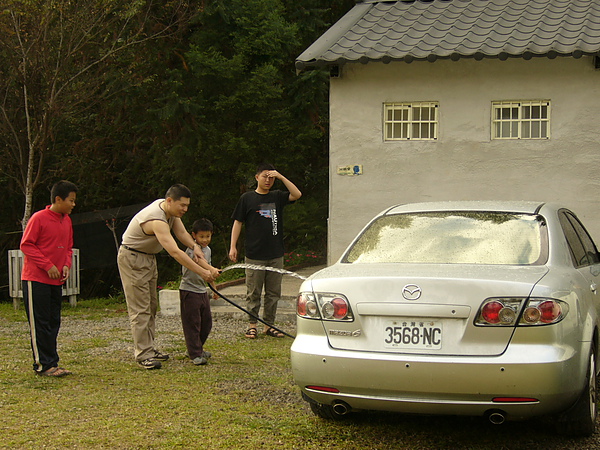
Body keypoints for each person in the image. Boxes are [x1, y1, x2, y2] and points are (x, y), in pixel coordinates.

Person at [118, 184, 220, 370]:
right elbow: (174, 252)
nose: (185, 209)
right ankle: (143, 354)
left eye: (187, 205)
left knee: (150, 305)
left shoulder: (170, 213)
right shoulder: (157, 219)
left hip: (148, 258)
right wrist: (202, 272)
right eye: (182, 205)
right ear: (170, 201)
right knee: (140, 309)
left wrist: (196, 247)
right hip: (133, 258)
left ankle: (149, 348)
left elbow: (181, 234)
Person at [229, 164, 302, 339]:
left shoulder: (277, 197)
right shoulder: (247, 198)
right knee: (253, 291)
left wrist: (281, 177)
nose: (268, 180)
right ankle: (252, 325)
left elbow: (297, 194)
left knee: (273, 292)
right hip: (254, 254)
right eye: (265, 176)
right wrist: (233, 246)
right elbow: (237, 222)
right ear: (256, 177)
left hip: (275, 253)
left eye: (271, 178)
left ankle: (268, 325)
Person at [20, 180, 78, 377]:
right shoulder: (38, 218)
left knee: (54, 321)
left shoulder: (67, 220)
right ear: (58, 199)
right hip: (35, 278)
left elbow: (68, 246)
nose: (73, 204)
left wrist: (65, 265)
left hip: (56, 280)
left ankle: (52, 362)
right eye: (70, 200)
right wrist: (48, 265)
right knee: (40, 322)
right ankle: (42, 365)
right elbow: (27, 245)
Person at [179, 218, 215, 366]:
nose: (205, 240)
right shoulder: (191, 250)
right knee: (192, 323)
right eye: (201, 237)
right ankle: (194, 354)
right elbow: (201, 263)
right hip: (189, 290)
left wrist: (213, 287)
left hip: (201, 291)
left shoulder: (208, 250)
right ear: (194, 235)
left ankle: (197, 348)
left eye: (208, 236)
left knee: (206, 323)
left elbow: (208, 270)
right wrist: (211, 269)